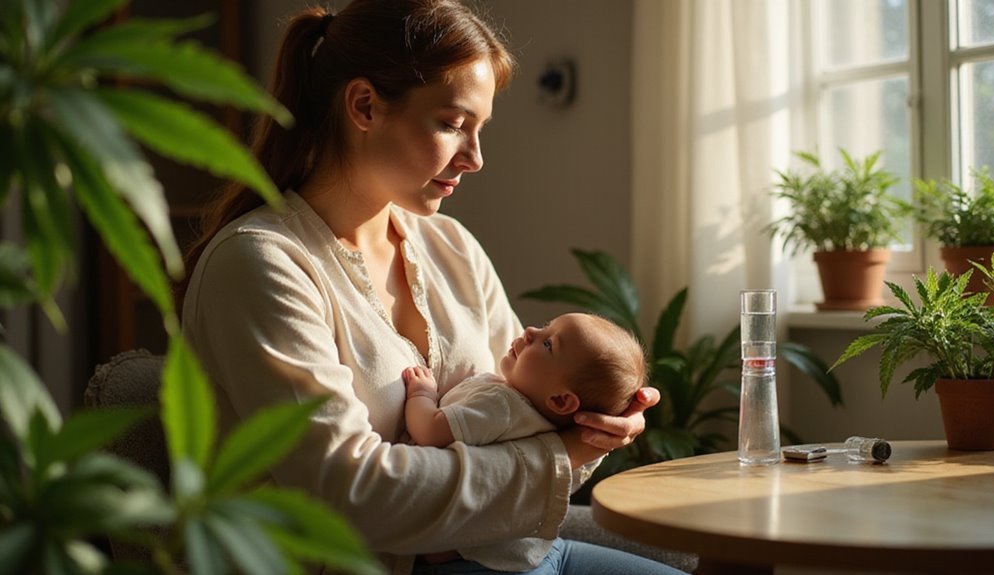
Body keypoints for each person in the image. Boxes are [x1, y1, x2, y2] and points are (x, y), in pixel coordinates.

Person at [180, 1, 684, 574]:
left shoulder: (451, 247)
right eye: (452, 124)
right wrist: (567, 452)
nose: (475, 158)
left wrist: (595, 426)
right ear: (365, 106)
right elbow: (355, 497)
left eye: (480, 129)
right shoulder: (261, 264)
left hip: (508, 557)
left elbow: (532, 408)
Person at [402, 312, 646, 572]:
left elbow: (429, 430)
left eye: (548, 344)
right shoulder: (545, 421)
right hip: (522, 553)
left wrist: (421, 393)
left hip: (481, 564)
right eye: (545, 325)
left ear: (561, 401)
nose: (530, 331)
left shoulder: (502, 405)